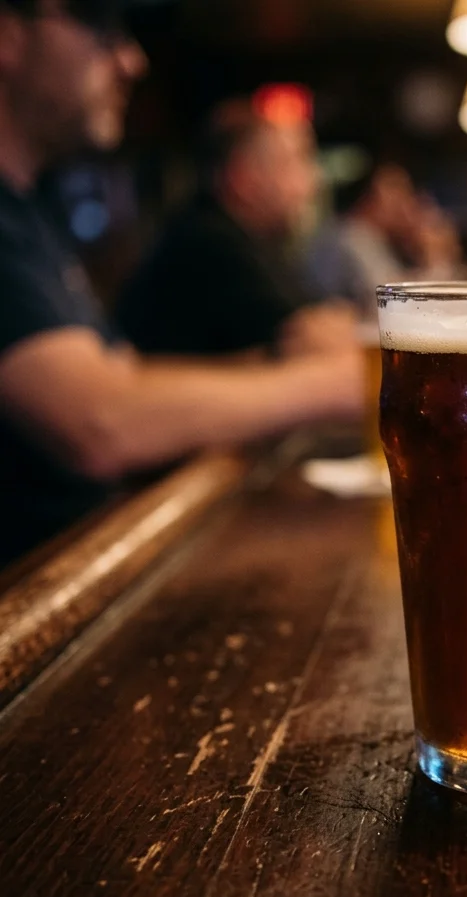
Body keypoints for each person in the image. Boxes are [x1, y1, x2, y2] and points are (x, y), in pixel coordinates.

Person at [0, 0, 362, 567]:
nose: (132, 60)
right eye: (100, 25)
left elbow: (120, 374)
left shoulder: (31, 211)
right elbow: (99, 421)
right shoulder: (207, 238)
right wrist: (340, 382)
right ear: (8, 32)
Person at [119, 98, 358, 359]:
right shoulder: (209, 243)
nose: (312, 182)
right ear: (243, 178)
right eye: (294, 162)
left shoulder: (246, 237)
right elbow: (309, 337)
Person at [306, 162, 460, 313]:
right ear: (373, 195)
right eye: (397, 191)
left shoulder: (369, 236)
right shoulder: (353, 237)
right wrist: (434, 256)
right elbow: (389, 304)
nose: (405, 203)